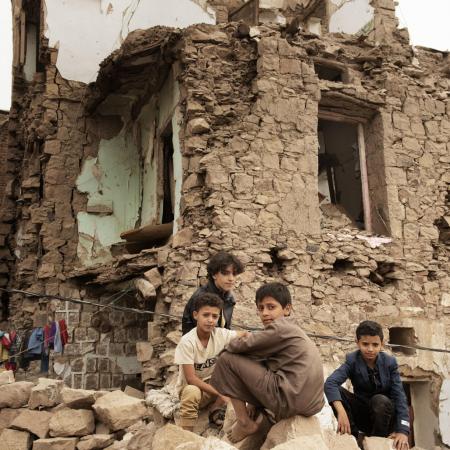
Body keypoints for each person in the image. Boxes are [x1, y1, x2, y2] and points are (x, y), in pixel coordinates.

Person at [210, 282, 325, 443]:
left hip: (290, 401)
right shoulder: (294, 329)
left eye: (271, 307)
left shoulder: (280, 328)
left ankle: (244, 422)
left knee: (226, 359)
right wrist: (253, 403)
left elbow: (242, 346)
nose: (264, 313)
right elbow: (263, 363)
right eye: (261, 308)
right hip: (311, 405)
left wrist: (233, 343)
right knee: (258, 362)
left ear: (287, 309)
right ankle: (259, 413)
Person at [324, 320, 410, 450]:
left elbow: (400, 397)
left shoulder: (390, 363)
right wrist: (341, 412)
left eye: (375, 345)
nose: (370, 349)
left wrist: (403, 430)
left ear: (382, 344)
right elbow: (330, 383)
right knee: (339, 392)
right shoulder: (352, 360)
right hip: (365, 414)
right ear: (357, 343)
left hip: (386, 417)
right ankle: (352, 439)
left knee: (379, 400)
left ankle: (377, 442)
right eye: (365, 344)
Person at [174, 293, 247, 431]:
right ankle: (186, 434)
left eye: (214, 316)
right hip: (195, 390)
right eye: (206, 315)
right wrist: (220, 394)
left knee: (237, 370)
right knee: (191, 391)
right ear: (196, 315)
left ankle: (215, 410)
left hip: (213, 386)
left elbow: (245, 334)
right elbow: (191, 379)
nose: (210, 320)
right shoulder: (187, 342)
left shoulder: (220, 334)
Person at [182, 251, 244, 335]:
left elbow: (225, 328)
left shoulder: (229, 298)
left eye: (234, 274)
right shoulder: (201, 298)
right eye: (225, 273)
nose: (231, 278)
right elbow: (204, 334)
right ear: (214, 274)